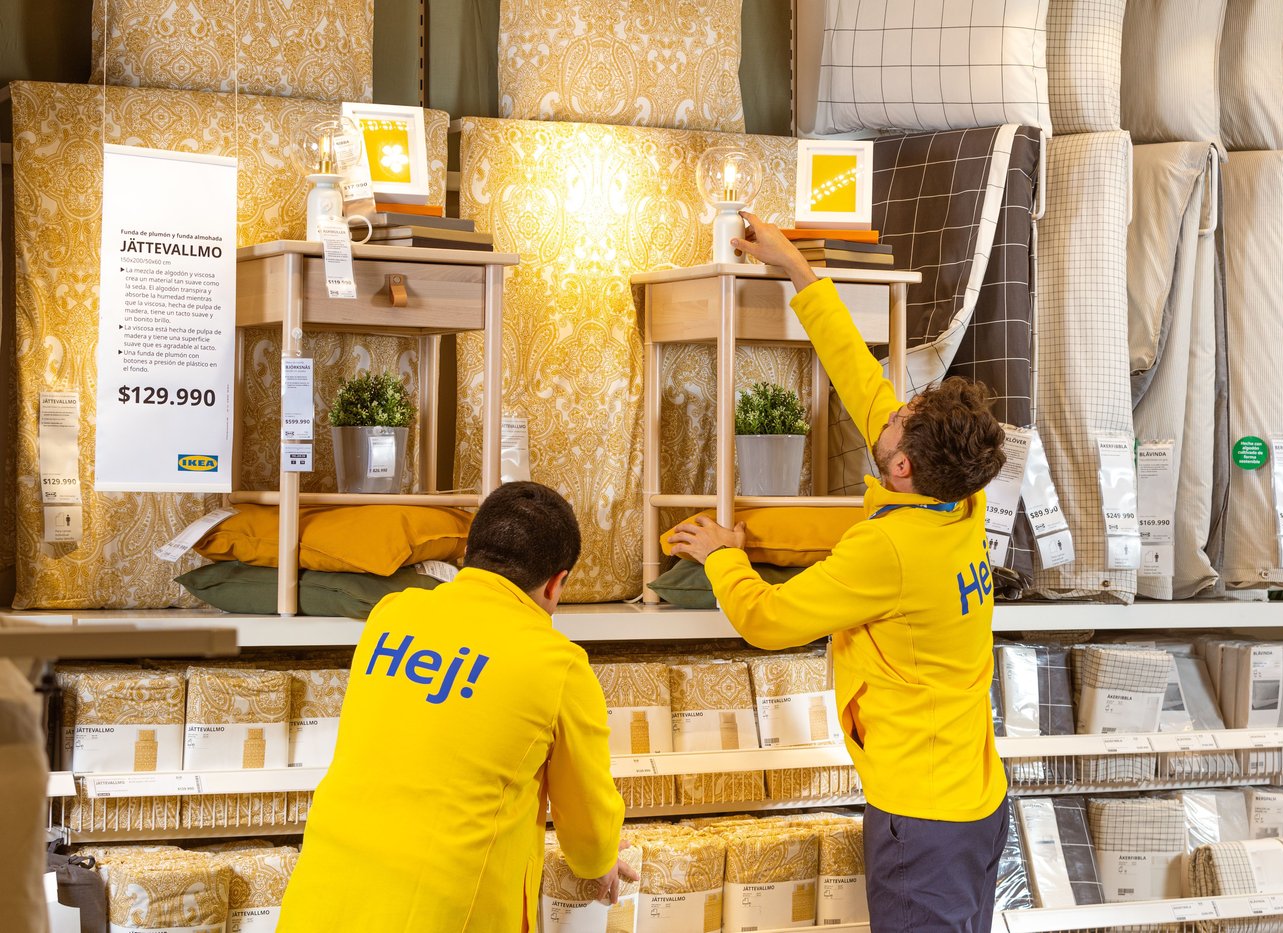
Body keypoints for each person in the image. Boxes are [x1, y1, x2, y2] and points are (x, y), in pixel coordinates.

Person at [667, 214, 1009, 933]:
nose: (888, 408)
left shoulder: (890, 550)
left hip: (923, 819)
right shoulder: (961, 498)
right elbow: (862, 381)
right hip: (973, 802)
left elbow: (768, 620)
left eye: (899, 417)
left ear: (901, 466)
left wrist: (723, 553)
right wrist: (798, 270)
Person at [279, 482, 634, 932]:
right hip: (444, 914)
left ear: (467, 552)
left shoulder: (391, 615)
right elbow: (586, 818)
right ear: (555, 583)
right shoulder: (558, 664)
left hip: (321, 900)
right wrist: (599, 860)